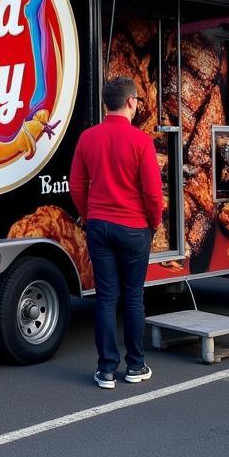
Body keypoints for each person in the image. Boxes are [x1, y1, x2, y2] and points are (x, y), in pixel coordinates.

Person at [70, 76, 163, 389]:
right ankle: (135, 366)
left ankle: (106, 369)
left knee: (106, 299)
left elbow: (76, 186)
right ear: (132, 102)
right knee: (134, 298)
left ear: (105, 104)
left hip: (99, 225)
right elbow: (152, 192)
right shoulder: (141, 141)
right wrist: (154, 222)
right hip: (135, 227)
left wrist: (88, 214)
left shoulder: (88, 138)